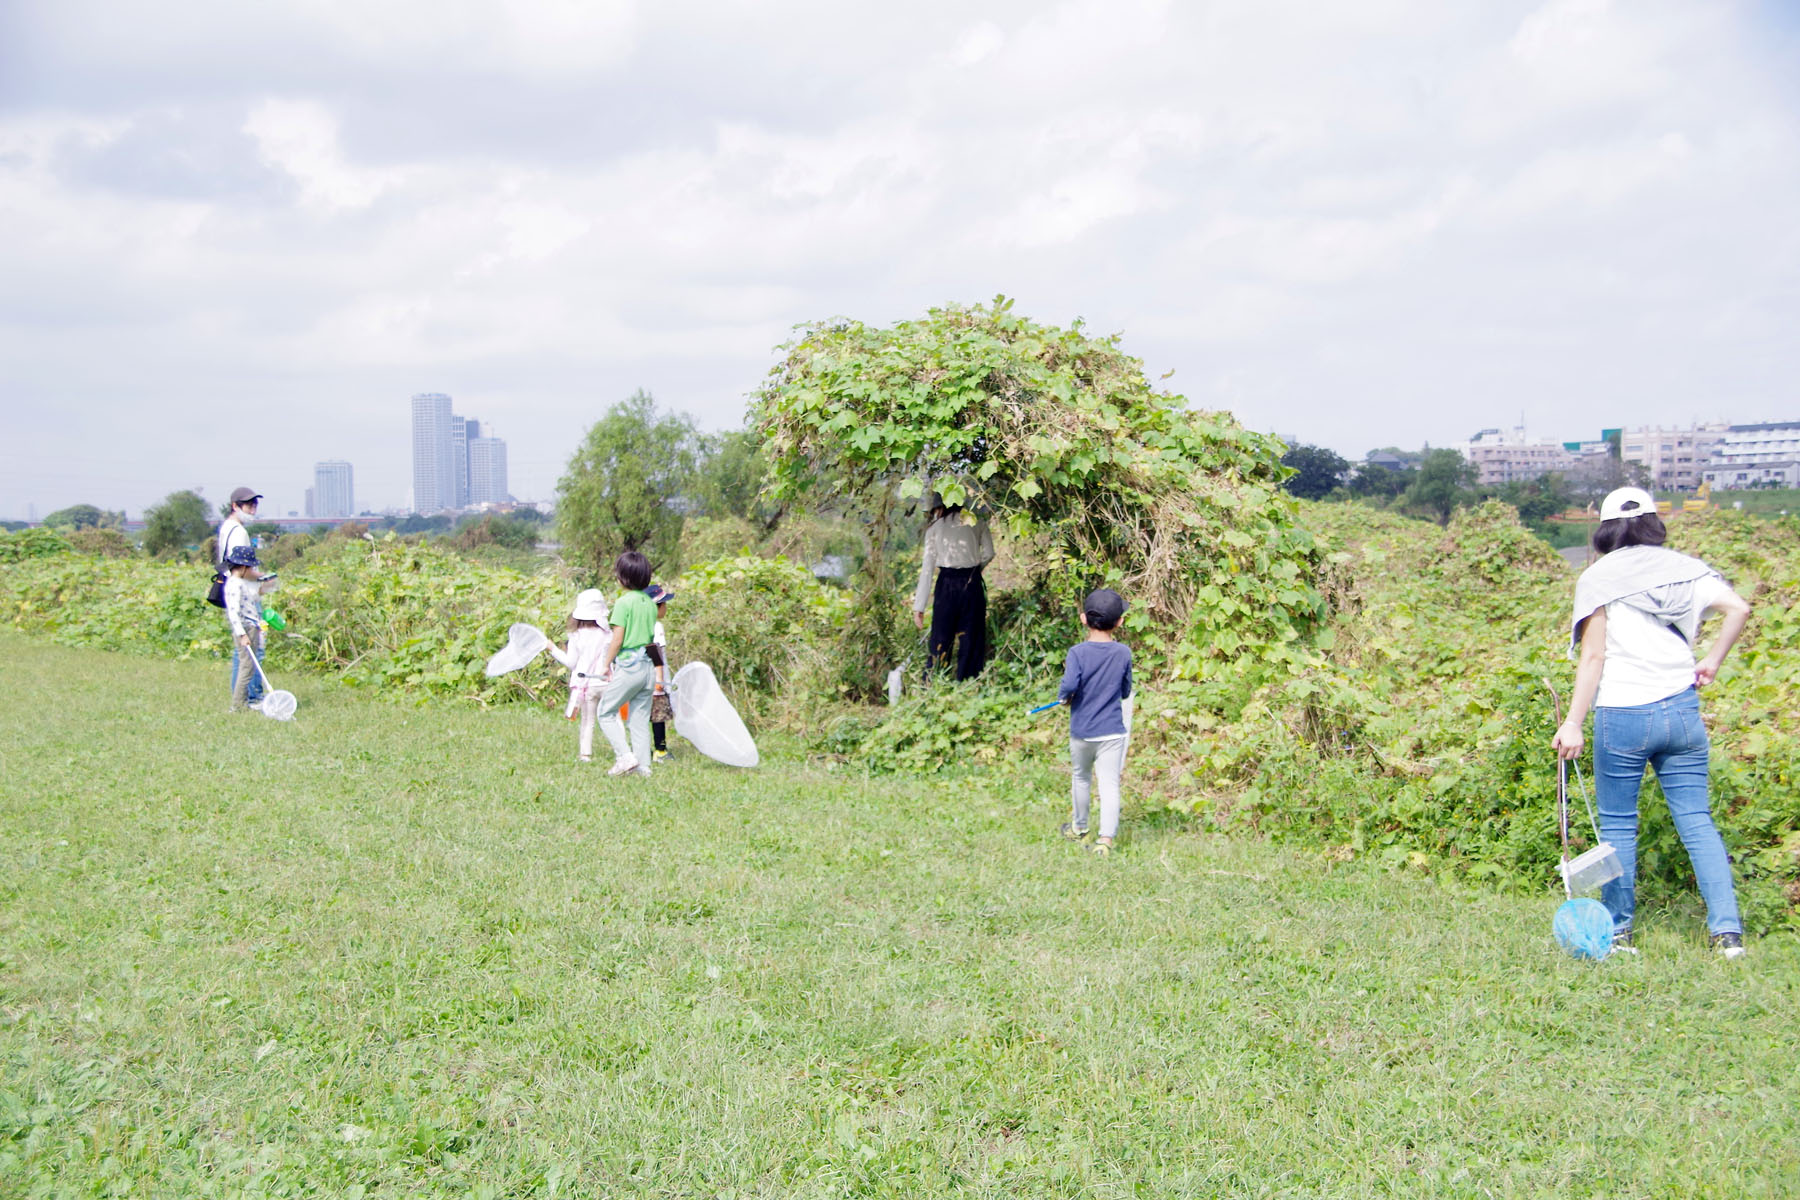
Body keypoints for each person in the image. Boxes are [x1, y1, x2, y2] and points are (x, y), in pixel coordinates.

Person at [1553, 487, 1754, 958]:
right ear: (1652, 522)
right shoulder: (1687, 568)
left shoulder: (1597, 578)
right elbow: (1739, 609)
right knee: (1697, 822)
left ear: (1605, 528)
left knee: (1620, 825)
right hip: (1681, 711)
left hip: (1623, 714)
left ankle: (1619, 933)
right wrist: (1712, 661)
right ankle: (1728, 935)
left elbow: (1594, 655)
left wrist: (1574, 722)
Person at [1056, 588, 1134, 857]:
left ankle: (1079, 829)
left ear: (1083, 619)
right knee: (1109, 784)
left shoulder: (1077, 652)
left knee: (1081, 778)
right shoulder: (1123, 653)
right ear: (1120, 622)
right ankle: (1105, 841)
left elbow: (1069, 685)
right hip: (1112, 731)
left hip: (1082, 731)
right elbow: (1125, 691)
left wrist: (1064, 698)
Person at [912, 497, 995, 681]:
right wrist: (975, 570)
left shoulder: (934, 529)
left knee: (941, 636)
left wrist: (919, 607)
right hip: (971, 582)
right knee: (971, 636)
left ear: (938, 507)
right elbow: (989, 553)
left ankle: (935, 680)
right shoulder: (976, 521)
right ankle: (968, 682)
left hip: (946, 583)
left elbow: (927, 569)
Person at [594, 551, 660, 777]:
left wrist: (606, 664)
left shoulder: (623, 603)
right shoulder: (651, 604)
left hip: (630, 666)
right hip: (648, 667)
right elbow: (651, 639)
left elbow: (618, 639)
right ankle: (644, 768)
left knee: (605, 711)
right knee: (639, 719)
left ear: (623, 577)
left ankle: (625, 757)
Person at [547, 589, 611, 763]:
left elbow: (571, 662)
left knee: (588, 720)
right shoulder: (607, 634)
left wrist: (553, 649)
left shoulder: (576, 635)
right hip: (606, 681)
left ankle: (585, 754)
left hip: (585, 684)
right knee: (612, 718)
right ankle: (622, 751)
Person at [217, 486, 266, 708]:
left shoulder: (226, 527)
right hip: (245, 595)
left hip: (233, 588)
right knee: (251, 653)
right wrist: (264, 579)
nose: (253, 509)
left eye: (255, 504)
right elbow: (242, 566)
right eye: (248, 505)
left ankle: (244, 697)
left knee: (243, 653)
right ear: (235, 506)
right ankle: (251, 697)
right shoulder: (240, 532)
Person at [222, 545, 267, 713]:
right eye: (250, 567)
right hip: (246, 629)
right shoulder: (234, 585)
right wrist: (242, 634)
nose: (251, 571)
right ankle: (238, 704)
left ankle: (241, 703)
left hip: (251, 627)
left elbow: (248, 602)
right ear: (242, 567)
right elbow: (233, 612)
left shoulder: (240, 583)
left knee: (248, 666)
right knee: (247, 667)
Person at [646, 583, 676, 762]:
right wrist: (660, 680)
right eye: (663, 604)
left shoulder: (638, 624)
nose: (665, 608)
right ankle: (660, 750)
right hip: (655, 679)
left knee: (642, 715)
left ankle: (641, 748)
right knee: (659, 717)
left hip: (640, 677)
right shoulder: (656, 626)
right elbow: (655, 652)